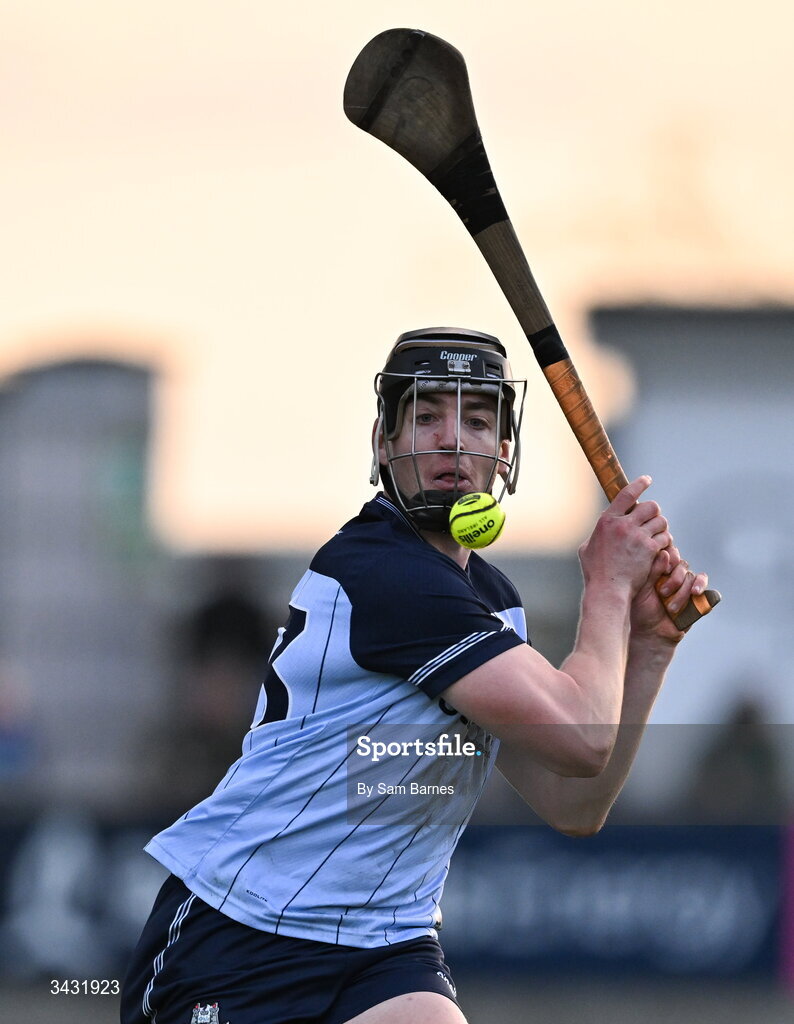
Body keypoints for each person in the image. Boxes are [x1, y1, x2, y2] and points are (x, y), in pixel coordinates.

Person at [121, 327, 708, 1024]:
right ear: (383, 445)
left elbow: (573, 802)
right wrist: (609, 588)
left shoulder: (489, 601)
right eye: (427, 416)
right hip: (243, 933)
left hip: (387, 943)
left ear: (504, 454)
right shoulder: (386, 573)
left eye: (478, 420)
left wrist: (647, 648)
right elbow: (580, 737)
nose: (453, 440)